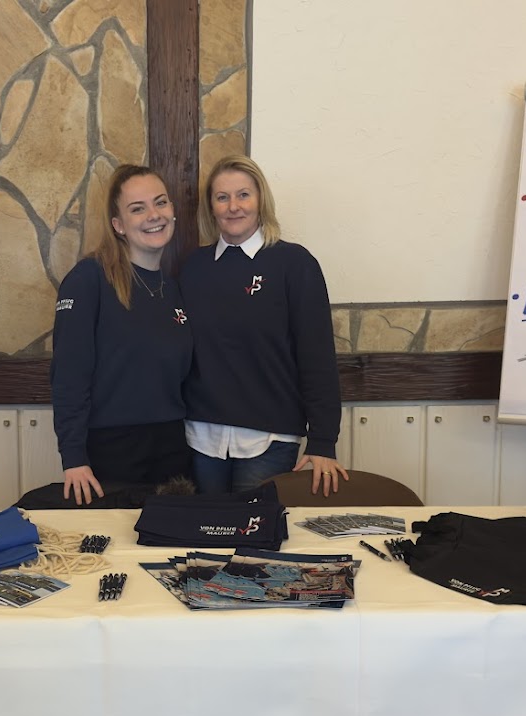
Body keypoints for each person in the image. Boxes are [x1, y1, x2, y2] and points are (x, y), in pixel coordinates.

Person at [180, 155, 346, 495]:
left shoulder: (294, 264)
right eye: (222, 197)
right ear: (211, 207)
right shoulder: (192, 268)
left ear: (260, 201)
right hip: (200, 438)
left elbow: (317, 355)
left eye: (243, 195)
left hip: (269, 440)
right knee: (202, 528)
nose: (233, 206)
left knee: (255, 530)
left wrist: (323, 440)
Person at [50, 164, 193, 505]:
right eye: (138, 208)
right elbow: (69, 374)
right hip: (111, 450)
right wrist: (73, 457)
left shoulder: (173, 288)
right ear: (118, 225)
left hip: (174, 448)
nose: (154, 215)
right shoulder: (89, 280)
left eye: (161, 202)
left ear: (172, 210)